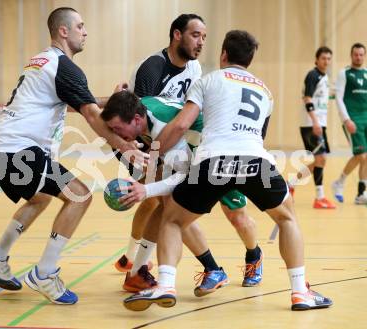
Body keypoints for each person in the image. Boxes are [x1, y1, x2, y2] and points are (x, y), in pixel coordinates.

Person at [123, 30, 333, 312]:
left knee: (172, 219)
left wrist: (156, 152)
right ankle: (299, 292)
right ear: (250, 59)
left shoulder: (207, 80)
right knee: (287, 218)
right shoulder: (264, 90)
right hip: (254, 160)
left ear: (223, 54)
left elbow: (182, 124)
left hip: (212, 161)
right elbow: (259, 136)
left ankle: (165, 284)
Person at [0, 7, 147, 305]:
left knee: (40, 198)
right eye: (80, 26)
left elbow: (77, 103)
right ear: (63, 31)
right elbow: (92, 115)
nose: (85, 31)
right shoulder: (64, 66)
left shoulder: (42, 62)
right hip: (18, 149)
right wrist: (125, 146)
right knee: (79, 196)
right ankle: (44, 273)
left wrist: (111, 99)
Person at [114, 14, 263, 293]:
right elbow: (142, 113)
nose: (201, 42)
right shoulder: (153, 67)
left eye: (205, 37)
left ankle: (254, 255)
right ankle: (138, 263)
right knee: (166, 204)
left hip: (204, 145)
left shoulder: (195, 69)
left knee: (235, 214)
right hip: (166, 143)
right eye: (196, 35)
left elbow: (186, 115)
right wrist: (139, 152)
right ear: (176, 35)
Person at [102, 92, 261, 295]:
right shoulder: (139, 109)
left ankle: (254, 255)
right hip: (194, 154)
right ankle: (140, 273)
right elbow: (101, 118)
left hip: (223, 154)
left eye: (118, 130)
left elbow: (181, 176)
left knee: (238, 217)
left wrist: (146, 189)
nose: (115, 134)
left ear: (136, 120)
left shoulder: (163, 130)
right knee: (172, 208)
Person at [288, 47, 336, 209]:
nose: (326, 61)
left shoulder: (324, 77)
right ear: (317, 59)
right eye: (323, 58)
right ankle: (320, 198)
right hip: (311, 124)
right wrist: (315, 122)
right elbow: (307, 98)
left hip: (319, 124)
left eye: (329, 58)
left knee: (318, 161)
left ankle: (290, 184)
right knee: (321, 159)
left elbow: (321, 97)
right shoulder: (313, 75)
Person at [332, 43, 367, 205]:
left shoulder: (366, 73)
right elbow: (338, 98)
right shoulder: (344, 73)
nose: (358, 57)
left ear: (364, 56)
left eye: (361, 54)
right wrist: (346, 119)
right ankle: (340, 182)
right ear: (351, 55)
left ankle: (361, 194)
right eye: (356, 54)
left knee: (365, 157)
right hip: (353, 119)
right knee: (361, 155)